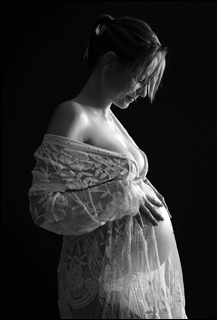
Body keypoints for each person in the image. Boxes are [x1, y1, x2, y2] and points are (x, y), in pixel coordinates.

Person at [28, 14, 186, 319]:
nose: (142, 91)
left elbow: (116, 179)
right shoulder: (74, 114)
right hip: (104, 285)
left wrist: (141, 191)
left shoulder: (111, 119)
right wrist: (129, 195)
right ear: (110, 62)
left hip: (136, 284)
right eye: (140, 78)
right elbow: (43, 206)